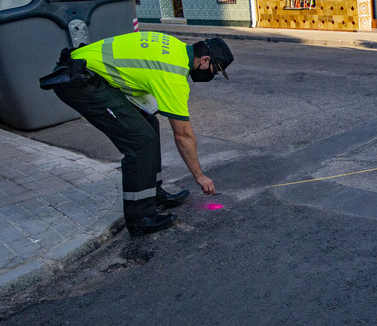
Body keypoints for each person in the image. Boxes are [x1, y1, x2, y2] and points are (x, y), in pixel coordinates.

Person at [42, 32, 234, 235]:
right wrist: (200, 176)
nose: (212, 76)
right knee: (140, 141)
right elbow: (183, 135)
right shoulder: (175, 73)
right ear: (205, 60)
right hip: (80, 81)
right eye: (215, 70)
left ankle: (154, 194)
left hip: (89, 71)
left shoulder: (175, 48)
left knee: (148, 123)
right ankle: (140, 217)